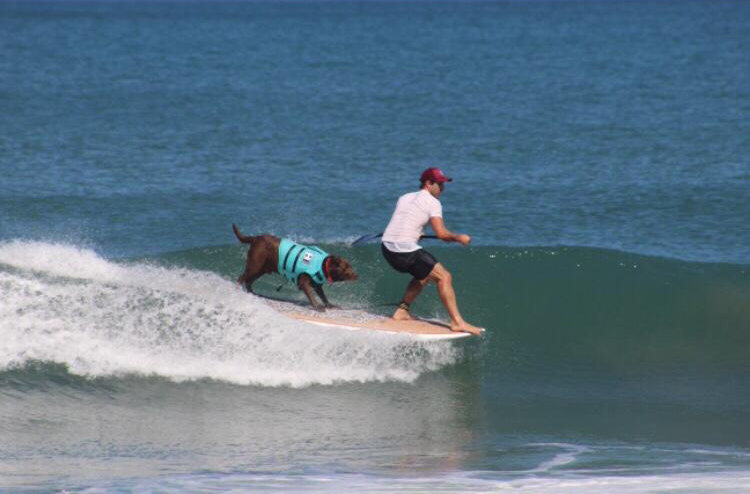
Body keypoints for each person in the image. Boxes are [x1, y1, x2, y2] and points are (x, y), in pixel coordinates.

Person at [380, 167, 482, 335]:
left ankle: (402, 310)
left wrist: (416, 234)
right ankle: (458, 322)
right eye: (440, 184)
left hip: (387, 247)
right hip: (404, 249)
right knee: (444, 277)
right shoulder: (433, 202)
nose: (442, 189)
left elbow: (404, 221)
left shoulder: (404, 197)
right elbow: (441, 234)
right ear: (428, 183)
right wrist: (458, 238)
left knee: (424, 273)